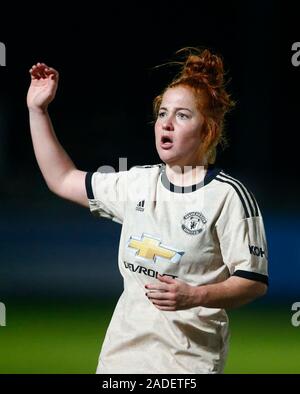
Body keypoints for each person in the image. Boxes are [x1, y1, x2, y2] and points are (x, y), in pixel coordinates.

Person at [27, 47, 268, 374]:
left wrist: (195, 296)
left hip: (184, 368)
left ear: (207, 130)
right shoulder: (138, 182)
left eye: (182, 115)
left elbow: (253, 281)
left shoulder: (228, 196)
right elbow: (62, 178)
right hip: (118, 365)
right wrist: (37, 111)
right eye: (163, 113)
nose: (166, 123)